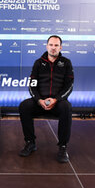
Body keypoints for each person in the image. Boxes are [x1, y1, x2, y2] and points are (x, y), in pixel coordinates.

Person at [18, 35, 74, 163]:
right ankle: (30, 142)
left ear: (60, 47)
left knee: (67, 107)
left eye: (56, 45)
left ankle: (63, 147)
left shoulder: (66, 63)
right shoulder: (38, 63)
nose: (53, 48)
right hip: (40, 102)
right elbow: (32, 86)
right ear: (46, 46)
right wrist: (39, 100)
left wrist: (56, 99)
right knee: (24, 106)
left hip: (58, 103)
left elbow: (69, 86)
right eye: (51, 45)